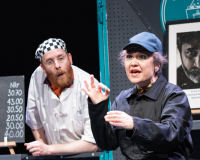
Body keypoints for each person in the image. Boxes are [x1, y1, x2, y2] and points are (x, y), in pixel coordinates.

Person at [82, 32, 193, 160]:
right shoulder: (123, 99)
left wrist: (134, 124)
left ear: (157, 64)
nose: (133, 63)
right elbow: (107, 143)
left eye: (141, 56)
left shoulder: (174, 95)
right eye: (129, 57)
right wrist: (99, 107)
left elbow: (172, 134)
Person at [25, 38, 98, 156]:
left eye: (61, 58)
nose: (57, 65)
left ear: (70, 58)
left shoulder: (89, 85)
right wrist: (43, 150)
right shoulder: (37, 76)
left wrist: (48, 149)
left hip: (85, 155)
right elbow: (34, 119)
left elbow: (92, 144)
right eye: (49, 62)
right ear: (43, 68)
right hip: (53, 155)